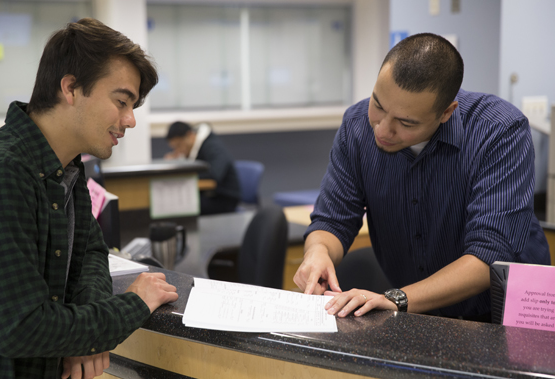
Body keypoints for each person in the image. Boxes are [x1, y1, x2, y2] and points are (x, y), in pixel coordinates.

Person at [0, 18, 179, 379]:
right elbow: (20, 327)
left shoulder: (67, 168)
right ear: (71, 88)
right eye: (121, 102)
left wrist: (87, 336)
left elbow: (92, 251)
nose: (130, 120)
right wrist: (132, 307)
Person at [293, 33, 550, 322]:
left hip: (503, 315)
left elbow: (490, 255)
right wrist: (318, 252)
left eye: (406, 122)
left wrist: (396, 299)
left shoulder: (499, 131)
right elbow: (333, 220)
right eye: (378, 105)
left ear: (446, 113)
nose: (382, 130)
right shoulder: (356, 126)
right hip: (416, 313)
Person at [165, 121, 241, 215]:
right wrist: (177, 161)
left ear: (190, 135)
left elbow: (214, 175)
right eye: (174, 148)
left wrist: (185, 174)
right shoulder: (195, 149)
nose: (178, 150)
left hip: (224, 198)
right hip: (209, 195)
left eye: (179, 145)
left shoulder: (213, 146)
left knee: (180, 206)